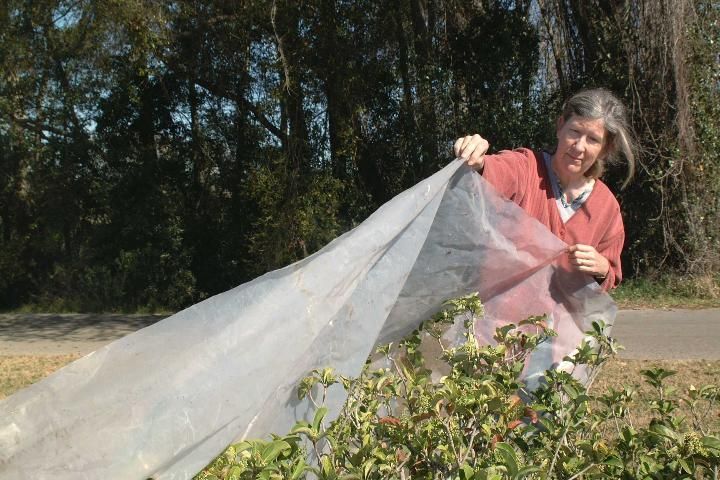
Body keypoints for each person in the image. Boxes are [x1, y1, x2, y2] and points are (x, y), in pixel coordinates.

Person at [453, 88, 636, 291]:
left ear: (605, 148)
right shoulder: (526, 168)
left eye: (593, 139)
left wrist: (602, 269)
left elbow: (611, 276)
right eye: (574, 131)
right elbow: (494, 171)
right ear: (560, 127)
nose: (579, 146)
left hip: (562, 321)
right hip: (502, 318)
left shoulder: (607, 207)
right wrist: (477, 160)